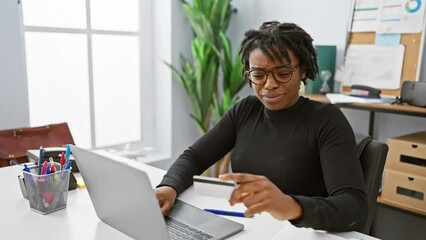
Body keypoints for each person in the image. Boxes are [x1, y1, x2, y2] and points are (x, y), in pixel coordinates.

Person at [155, 21, 367, 232]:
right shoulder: (246, 110)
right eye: (258, 75)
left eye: (283, 73)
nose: (269, 84)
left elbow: (354, 207)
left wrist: (292, 207)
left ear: (302, 70)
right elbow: (196, 157)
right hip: (249, 227)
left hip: (300, 233)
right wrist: (169, 187)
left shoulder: (326, 120)